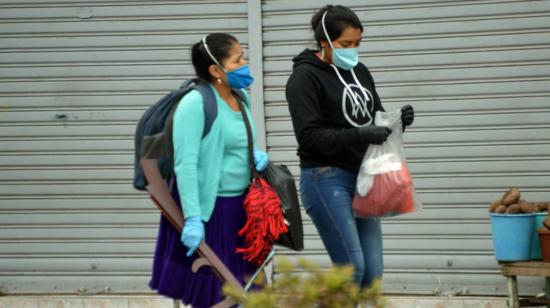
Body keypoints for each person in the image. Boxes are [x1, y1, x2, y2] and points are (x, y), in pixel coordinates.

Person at [285, 5, 414, 289]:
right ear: (325, 42)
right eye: (346, 44)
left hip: (364, 177)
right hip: (325, 177)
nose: (353, 51)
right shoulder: (304, 78)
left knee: (372, 275)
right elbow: (308, 137)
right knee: (351, 270)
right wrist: (358, 135)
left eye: (357, 44)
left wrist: (396, 120)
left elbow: (374, 116)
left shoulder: (360, 71)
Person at [148, 33, 269, 308]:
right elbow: (185, 164)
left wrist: (254, 154)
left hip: (243, 209)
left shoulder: (240, 98)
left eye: (243, 57)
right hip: (212, 213)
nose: (245, 64)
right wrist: (192, 219)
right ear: (216, 70)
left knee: (252, 294)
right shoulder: (194, 104)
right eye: (237, 60)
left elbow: (236, 141)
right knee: (218, 296)